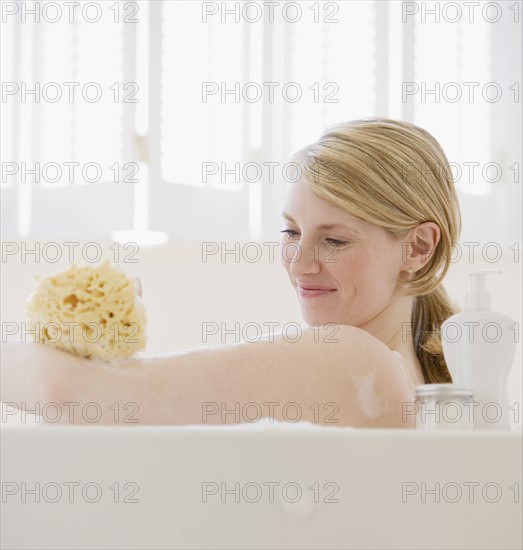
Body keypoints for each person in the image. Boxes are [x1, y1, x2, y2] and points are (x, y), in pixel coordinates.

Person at [0, 118, 461, 428]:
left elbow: (61, 391)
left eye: (335, 240)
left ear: (418, 247)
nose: (299, 264)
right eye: (291, 231)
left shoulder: (354, 360)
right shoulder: (432, 380)